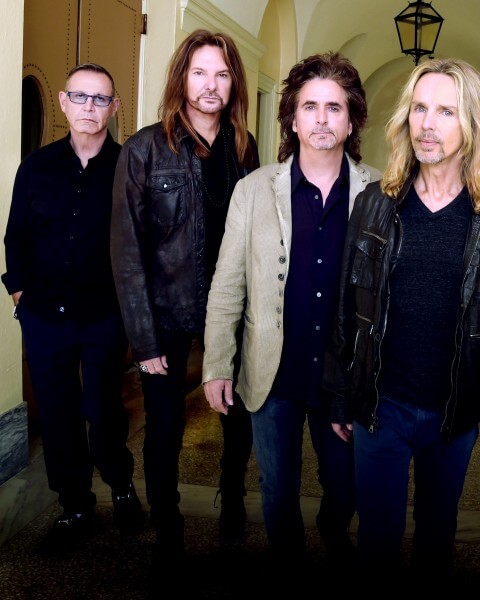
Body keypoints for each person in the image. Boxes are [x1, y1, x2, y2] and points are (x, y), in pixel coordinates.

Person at [323, 57, 480, 582]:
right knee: (376, 541)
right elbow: (345, 305)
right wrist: (340, 394)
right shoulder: (375, 203)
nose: (427, 124)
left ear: (473, 123)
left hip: (452, 411)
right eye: (419, 108)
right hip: (381, 405)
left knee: (437, 536)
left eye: (445, 111)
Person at [202, 52, 380, 573]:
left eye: (334, 107)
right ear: (293, 119)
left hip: (343, 376)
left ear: (352, 121)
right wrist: (216, 364)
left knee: (344, 483)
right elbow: (227, 286)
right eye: (310, 107)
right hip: (272, 371)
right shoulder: (253, 190)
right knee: (276, 485)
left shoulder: (380, 193)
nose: (322, 119)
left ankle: (333, 529)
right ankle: (287, 560)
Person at [110, 29, 259, 559]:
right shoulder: (144, 149)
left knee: (238, 417)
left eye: (222, 74)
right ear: (182, 78)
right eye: (200, 72)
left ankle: (233, 495)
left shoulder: (244, 148)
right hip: (167, 312)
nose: (210, 84)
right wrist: (144, 340)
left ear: (234, 82)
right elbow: (126, 252)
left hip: (232, 310)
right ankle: (167, 519)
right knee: (165, 427)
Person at [2, 63, 142, 551]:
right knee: (58, 412)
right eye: (80, 96)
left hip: (105, 314)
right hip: (45, 315)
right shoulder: (36, 167)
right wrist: (19, 293)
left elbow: (141, 241)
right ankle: (75, 504)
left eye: (101, 98)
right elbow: (16, 235)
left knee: (103, 408)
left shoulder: (129, 168)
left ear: (114, 107)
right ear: (63, 102)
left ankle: (120, 484)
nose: (89, 107)